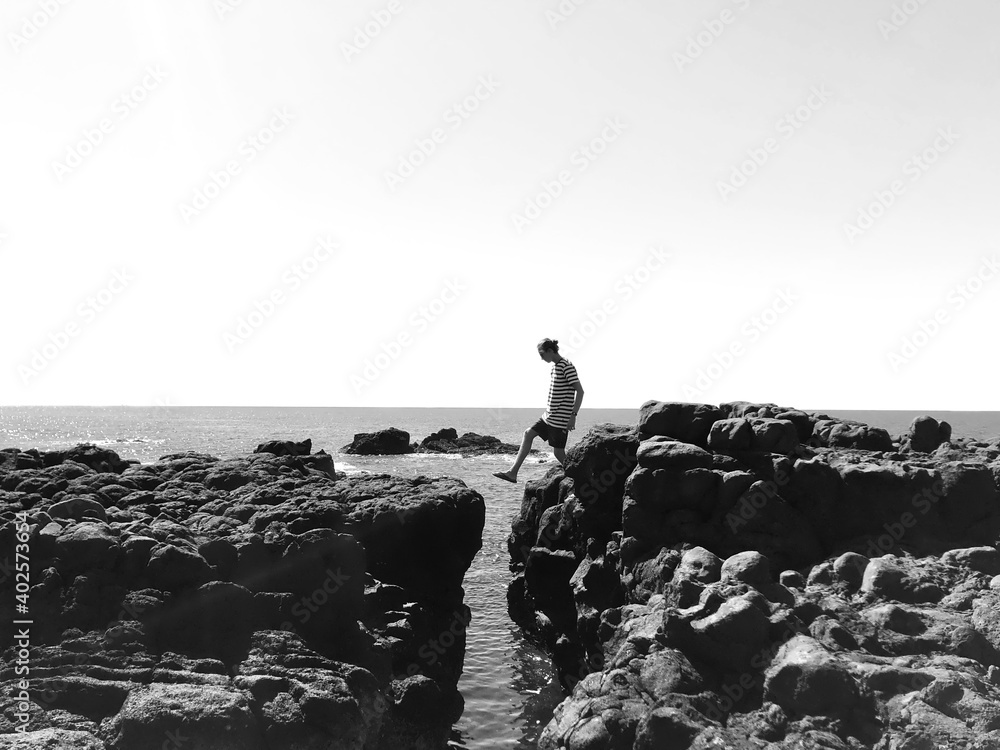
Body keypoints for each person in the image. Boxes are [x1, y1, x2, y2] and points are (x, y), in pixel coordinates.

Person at [493, 338, 583, 483]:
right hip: (548, 416)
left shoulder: (567, 366)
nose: (541, 358)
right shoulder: (555, 367)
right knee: (528, 434)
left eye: (542, 354)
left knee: (558, 453)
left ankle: (578, 479)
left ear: (550, 351)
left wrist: (573, 416)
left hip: (560, 419)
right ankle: (512, 473)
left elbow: (580, 391)